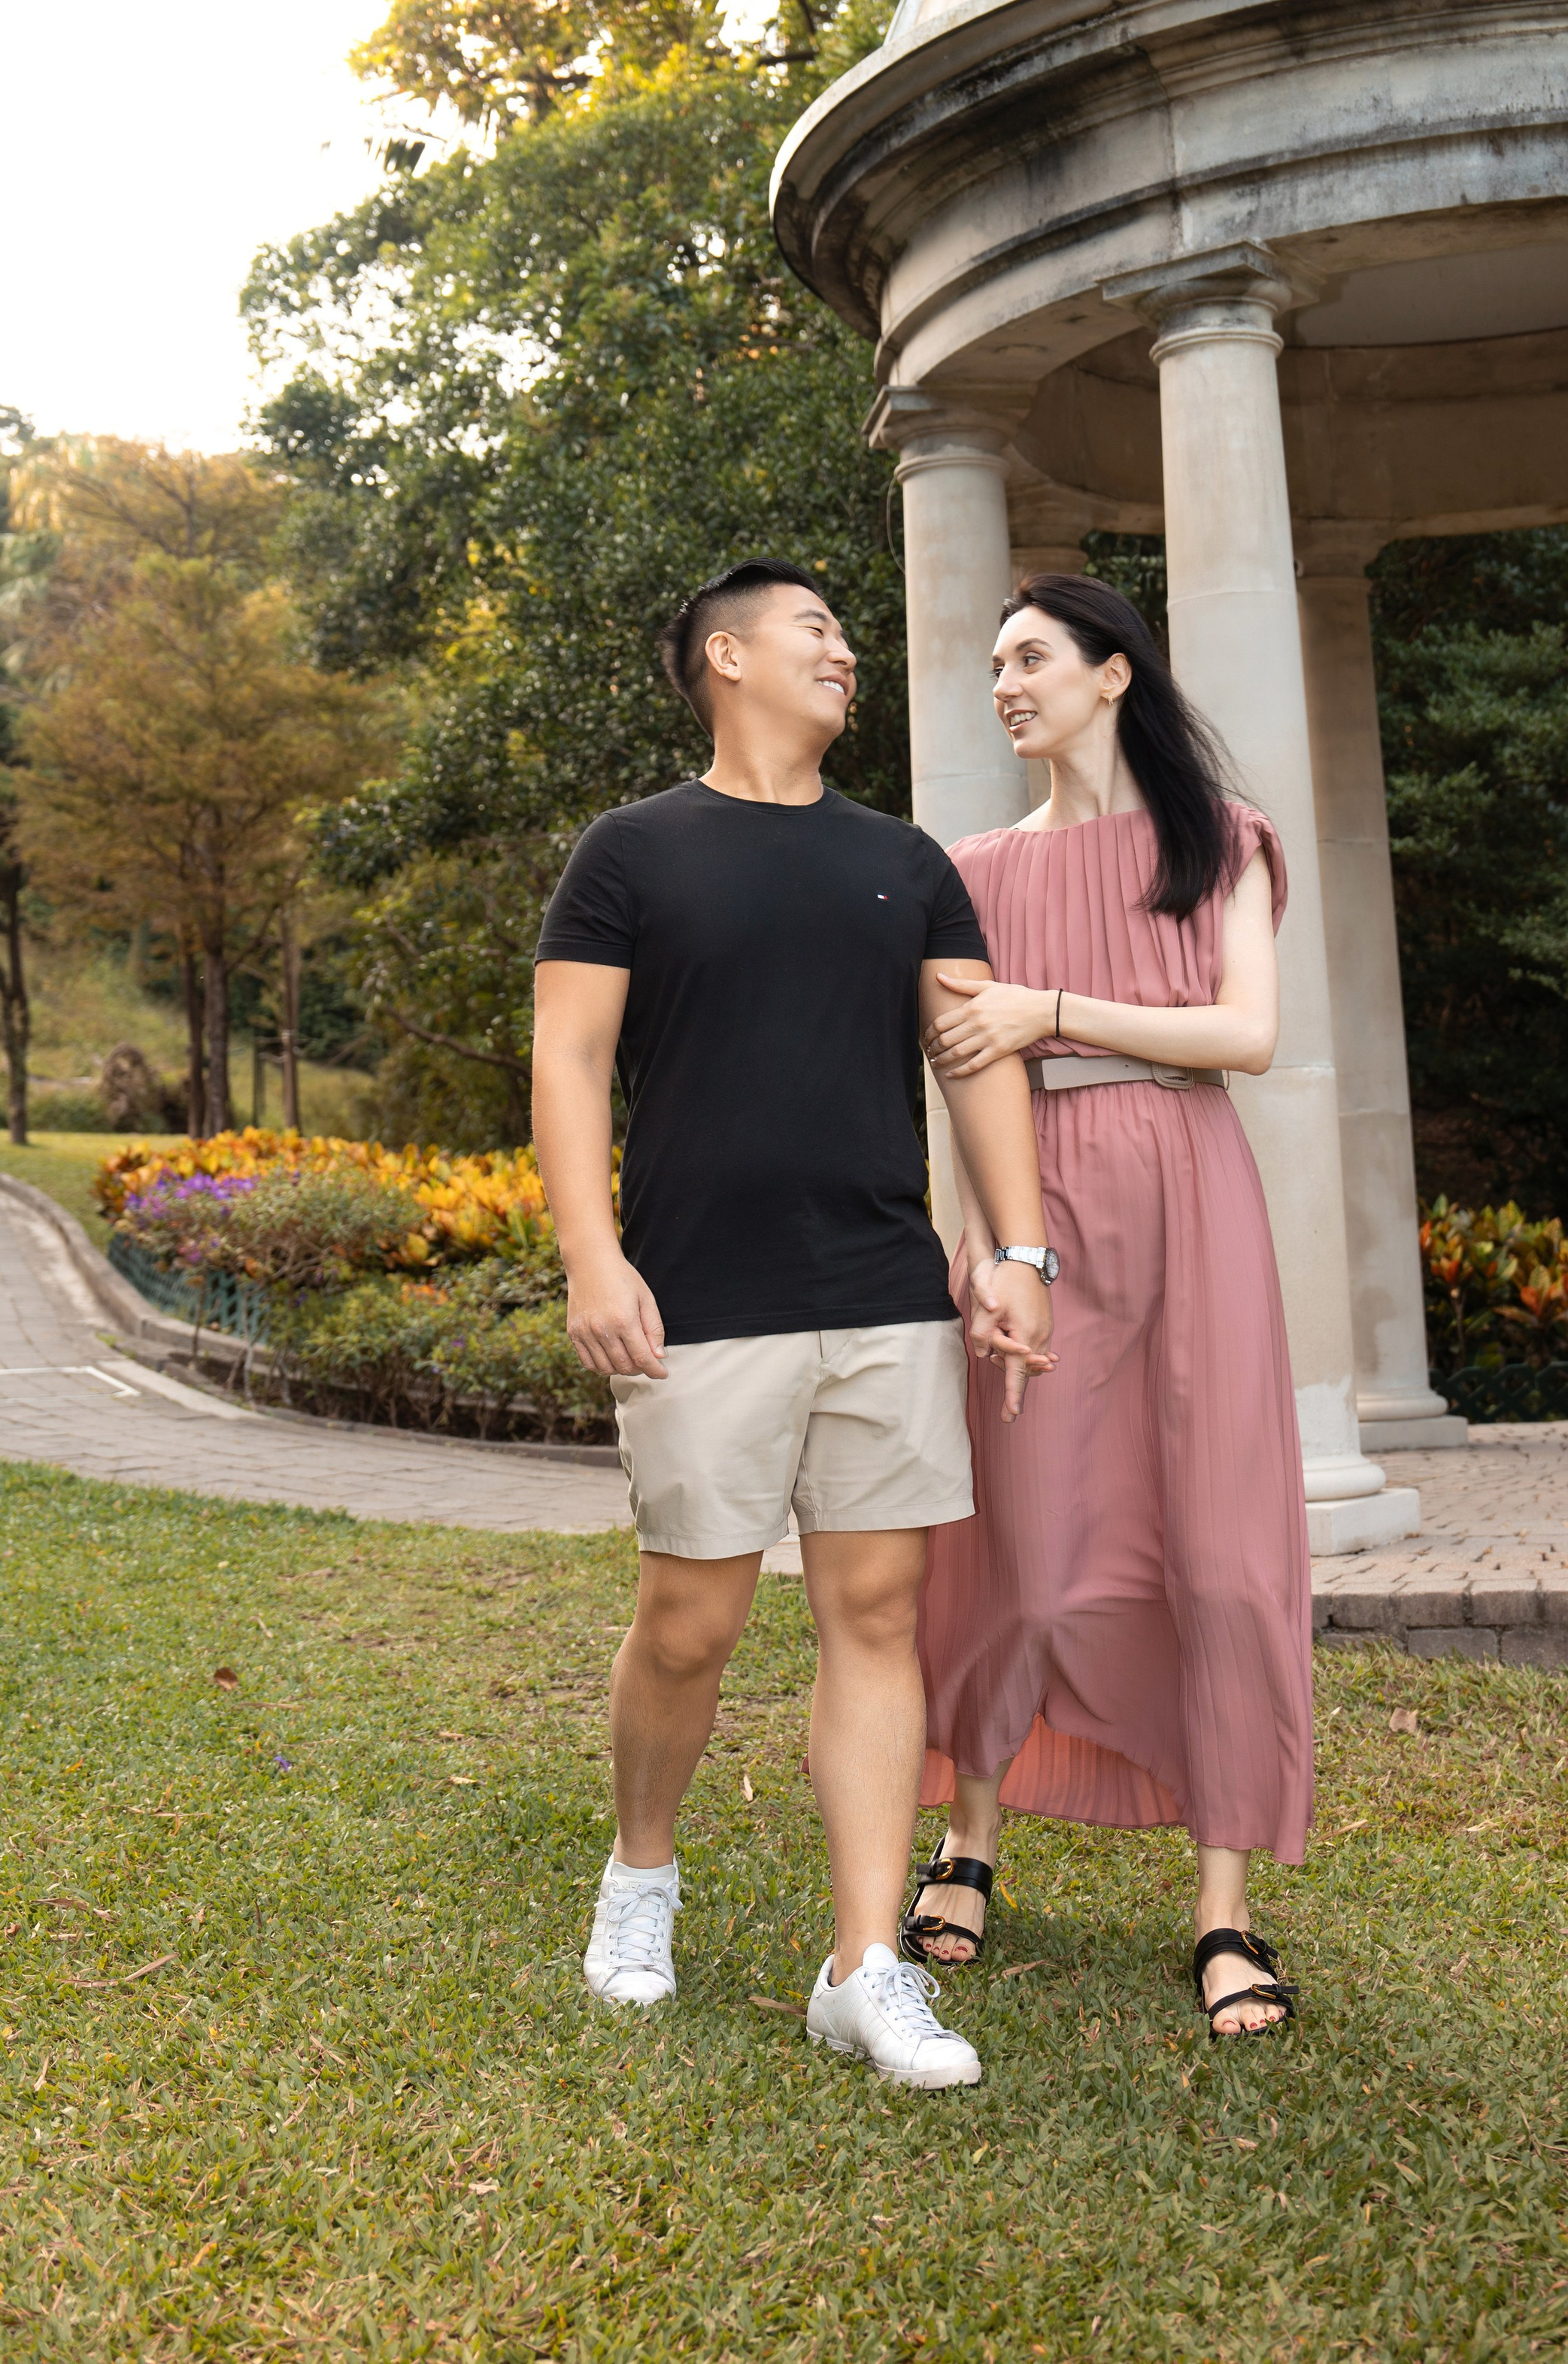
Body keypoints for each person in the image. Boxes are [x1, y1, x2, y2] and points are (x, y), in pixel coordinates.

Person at [532, 559, 1056, 2091]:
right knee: (689, 1620)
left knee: (876, 1617)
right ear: (724, 655)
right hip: (701, 1291)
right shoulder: (628, 853)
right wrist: (590, 1253)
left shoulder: (903, 862)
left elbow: (971, 1059)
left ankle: (863, 1964)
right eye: (812, 628)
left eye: (844, 632)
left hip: (882, 1289)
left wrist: (1016, 1247)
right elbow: (570, 1060)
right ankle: (639, 1878)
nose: (843, 649)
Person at [903, 572, 1312, 2041]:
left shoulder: (1221, 845)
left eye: (1028, 657)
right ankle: (968, 1843)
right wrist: (983, 1248)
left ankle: (1223, 1909)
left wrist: (1056, 1009)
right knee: (1022, 1541)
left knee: (1211, 1549)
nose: (1003, 683)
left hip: (1191, 1212)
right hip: (1039, 1222)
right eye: (995, 664)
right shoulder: (971, 869)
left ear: (1110, 672)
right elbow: (963, 1075)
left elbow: (1244, 1035)